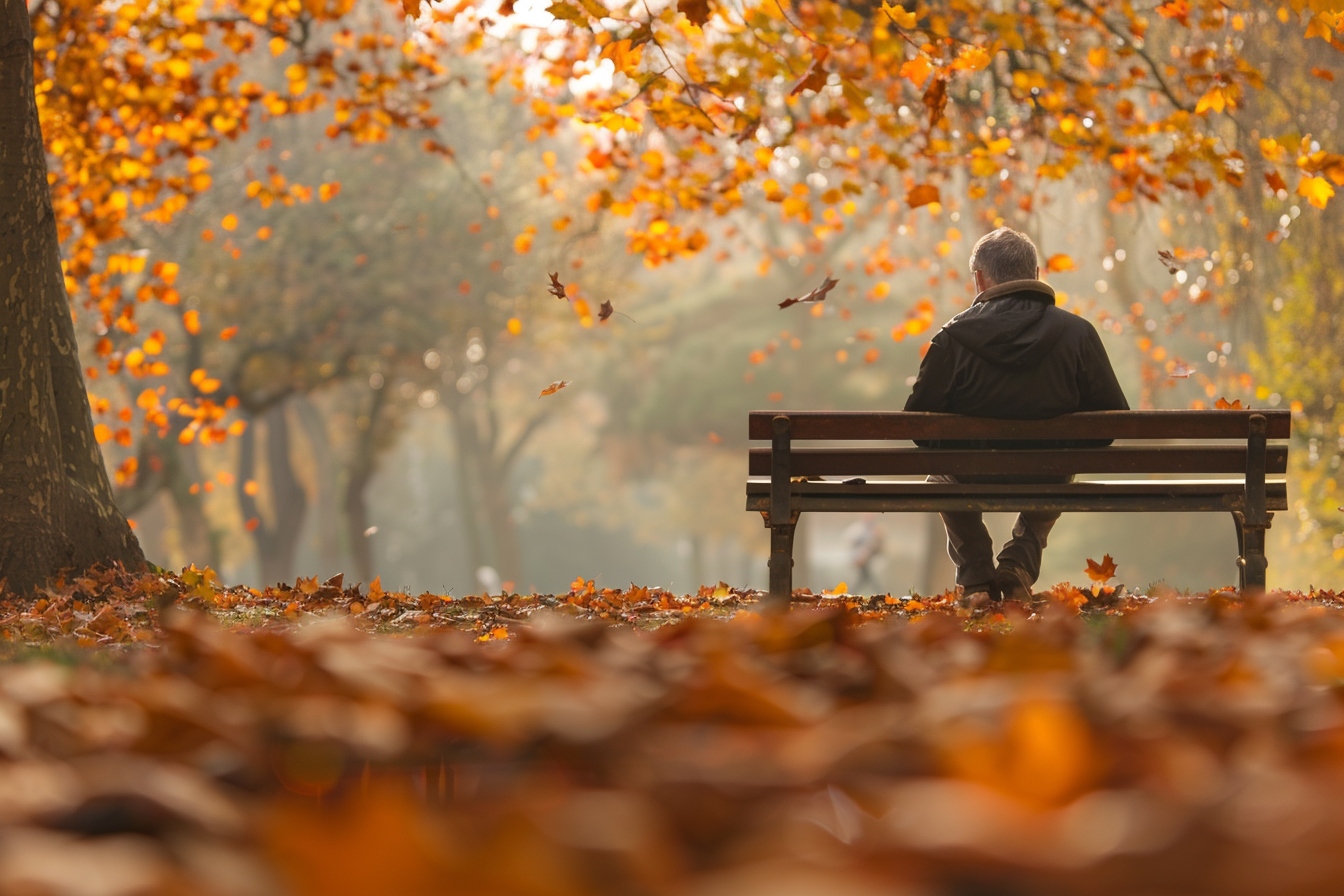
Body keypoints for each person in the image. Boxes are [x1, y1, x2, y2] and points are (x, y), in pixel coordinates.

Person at [904, 227, 1129, 602]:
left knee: (941, 475)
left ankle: (976, 579)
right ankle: (1016, 568)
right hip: (1045, 473)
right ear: (1037, 274)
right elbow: (1111, 420)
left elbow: (917, 424)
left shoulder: (953, 338)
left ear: (979, 278)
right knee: (1062, 466)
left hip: (970, 473)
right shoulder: (1078, 333)